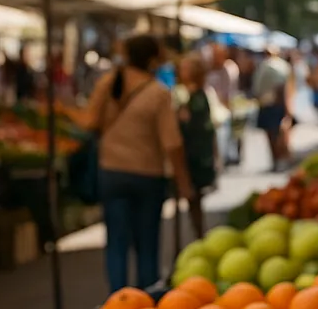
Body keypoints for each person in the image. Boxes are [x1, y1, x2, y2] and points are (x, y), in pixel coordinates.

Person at [83, 34, 193, 291]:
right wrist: (184, 182)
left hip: (112, 172)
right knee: (147, 246)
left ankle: (119, 300)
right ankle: (146, 300)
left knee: (116, 244)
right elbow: (172, 143)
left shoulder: (108, 83)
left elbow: (90, 122)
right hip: (147, 176)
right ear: (153, 60)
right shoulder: (158, 93)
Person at [175, 55, 217, 242]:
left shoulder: (196, 97)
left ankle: (199, 236)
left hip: (193, 155)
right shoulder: (194, 95)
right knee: (193, 201)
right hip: (196, 153)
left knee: (193, 198)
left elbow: (194, 126)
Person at [252, 45, 293, 170]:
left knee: (273, 134)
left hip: (269, 104)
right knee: (280, 133)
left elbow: (258, 88)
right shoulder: (283, 66)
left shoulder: (265, 66)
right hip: (278, 104)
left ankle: (277, 159)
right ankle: (281, 159)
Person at [204, 44, 239, 167]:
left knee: (221, 139)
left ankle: (220, 163)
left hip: (221, 110)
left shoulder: (228, 69)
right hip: (210, 109)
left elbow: (227, 92)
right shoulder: (208, 69)